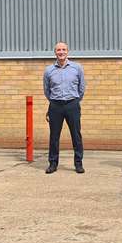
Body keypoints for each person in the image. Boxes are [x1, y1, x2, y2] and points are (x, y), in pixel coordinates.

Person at [42, 42, 86, 174]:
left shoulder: (77, 68)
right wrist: (53, 102)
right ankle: (53, 163)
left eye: (63, 50)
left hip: (72, 104)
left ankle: (78, 163)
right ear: (55, 52)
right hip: (55, 105)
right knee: (54, 136)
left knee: (76, 135)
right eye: (58, 50)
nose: (61, 52)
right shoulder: (49, 70)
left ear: (68, 51)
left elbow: (82, 88)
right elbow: (46, 90)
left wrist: (76, 100)